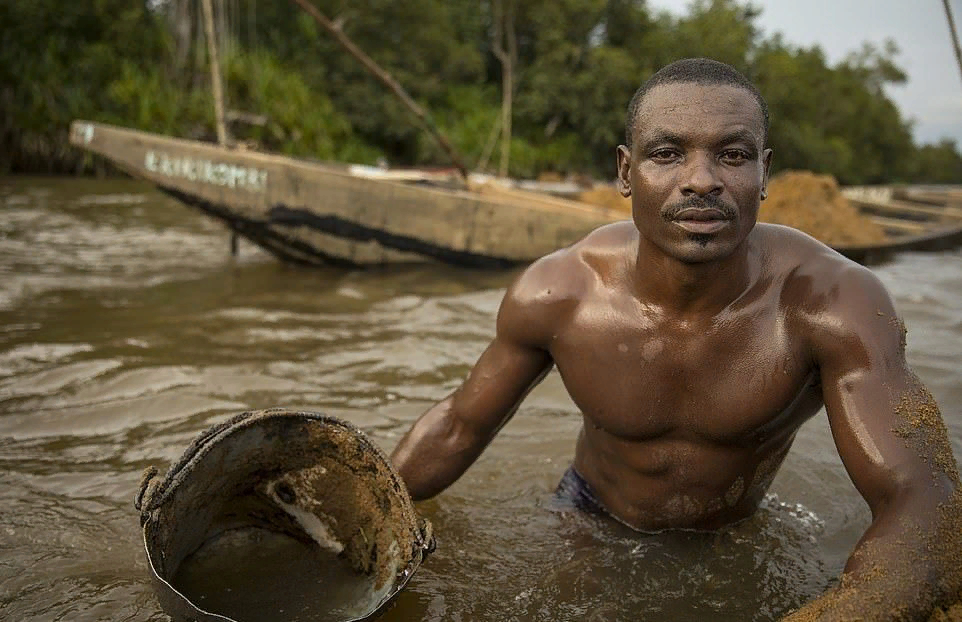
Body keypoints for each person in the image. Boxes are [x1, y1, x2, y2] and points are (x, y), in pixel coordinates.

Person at [390, 58, 960, 620]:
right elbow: (463, 424)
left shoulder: (832, 303)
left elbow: (925, 496)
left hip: (731, 533)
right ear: (624, 172)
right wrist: (371, 507)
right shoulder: (559, 292)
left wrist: (852, 608)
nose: (701, 181)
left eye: (732, 156)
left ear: (765, 174)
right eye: (666, 154)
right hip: (584, 514)